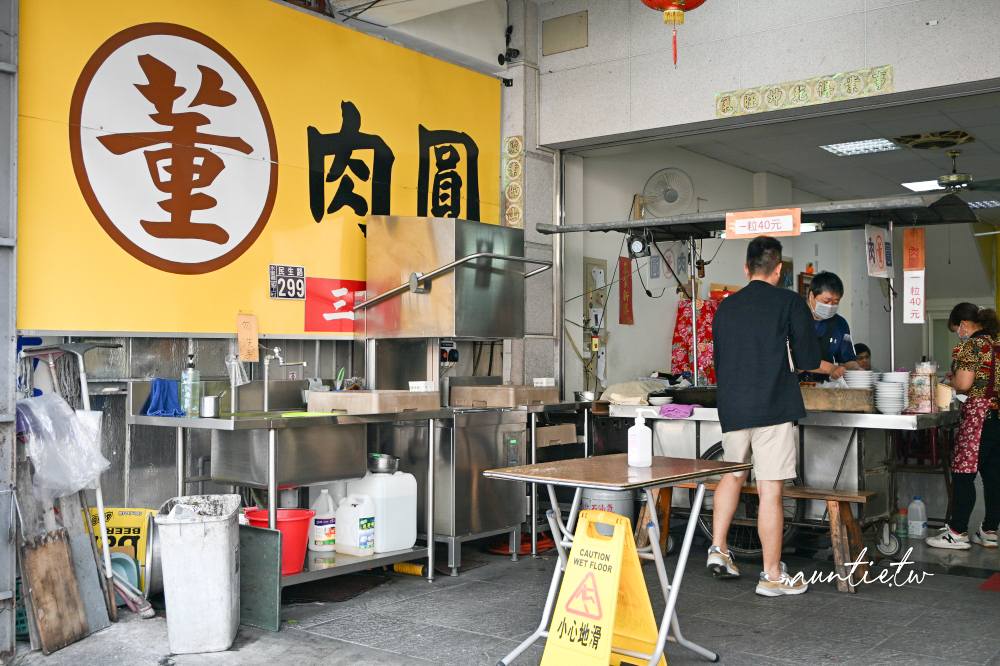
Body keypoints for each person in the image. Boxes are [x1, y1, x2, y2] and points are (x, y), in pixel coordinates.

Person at [710, 236, 845, 596]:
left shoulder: (725, 308)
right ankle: (771, 576)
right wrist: (829, 367)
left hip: (733, 406)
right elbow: (806, 360)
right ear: (779, 269)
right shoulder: (790, 302)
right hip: (772, 406)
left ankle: (719, 548)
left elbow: (718, 363)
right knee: (770, 491)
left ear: (746, 268)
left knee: (732, 476)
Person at [926, 302, 1000, 550]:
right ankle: (990, 531)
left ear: (965, 325)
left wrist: (951, 383)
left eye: (957, 328)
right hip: (997, 416)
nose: (959, 332)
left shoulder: (972, 345)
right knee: (993, 477)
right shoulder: (996, 343)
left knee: (963, 476)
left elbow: (965, 384)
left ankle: (957, 532)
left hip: (979, 419)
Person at [799, 272, 860, 382]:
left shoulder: (840, 324)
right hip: (794, 385)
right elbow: (798, 359)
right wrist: (831, 368)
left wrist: (857, 369)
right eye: (826, 301)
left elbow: (846, 361)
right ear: (811, 296)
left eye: (835, 302)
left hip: (824, 386)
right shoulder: (795, 318)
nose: (830, 306)